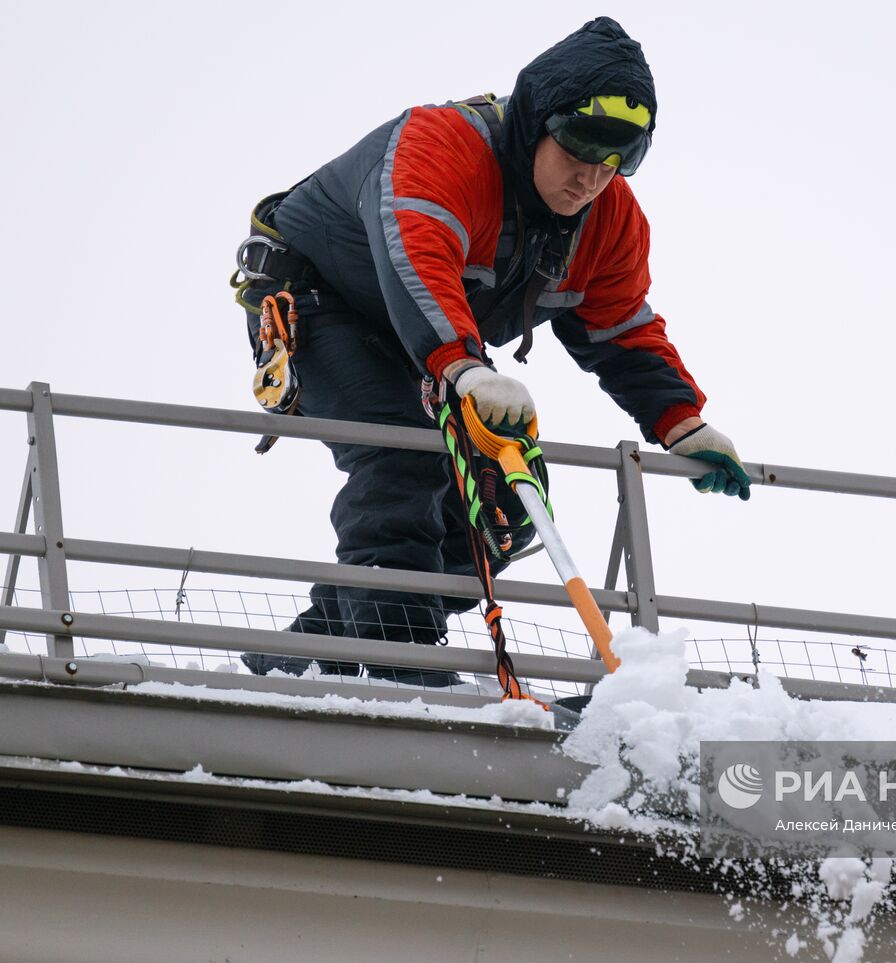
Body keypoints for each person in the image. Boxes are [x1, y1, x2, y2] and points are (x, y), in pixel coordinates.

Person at [232, 17, 749, 687]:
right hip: (321, 302)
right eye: (578, 150)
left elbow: (621, 328)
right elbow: (415, 258)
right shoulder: (442, 147)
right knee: (405, 452)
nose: (592, 177)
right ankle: (404, 668)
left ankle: (304, 658)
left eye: (617, 159)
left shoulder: (610, 219)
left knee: (503, 498)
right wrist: (464, 365)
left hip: (433, 342)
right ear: (536, 125)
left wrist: (682, 421)